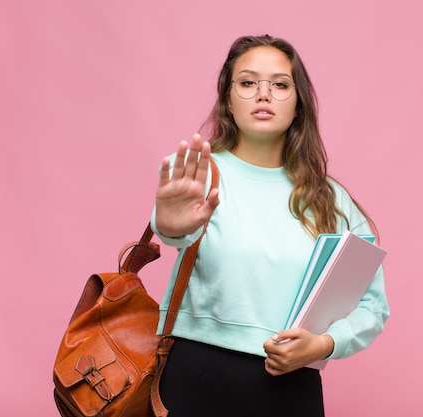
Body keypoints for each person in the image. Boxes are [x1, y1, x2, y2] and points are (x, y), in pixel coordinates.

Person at [151, 34, 389, 417]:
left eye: (280, 85)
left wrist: (326, 344)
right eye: (247, 83)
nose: (264, 94)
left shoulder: (331, 199)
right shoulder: (202, 175)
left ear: (299, 104)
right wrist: (169, 226)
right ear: (228, 100)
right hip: (192, 377)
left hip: (290, 387)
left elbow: (372, 306)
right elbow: (173, 230)